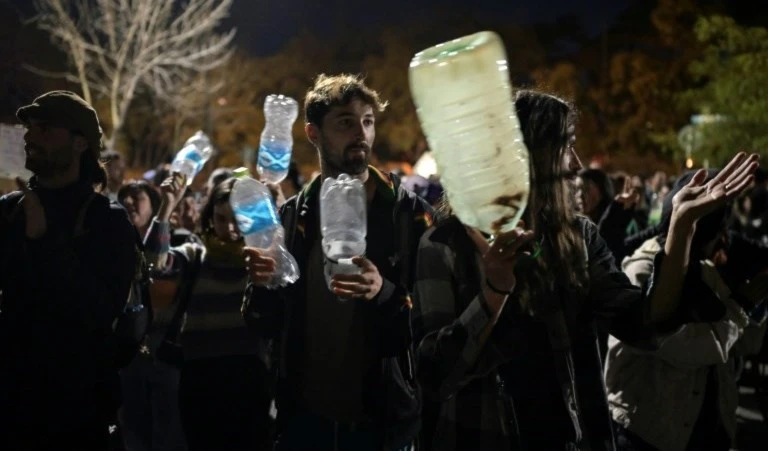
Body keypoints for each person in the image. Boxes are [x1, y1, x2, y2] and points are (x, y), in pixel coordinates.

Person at [412, 89, 760, 451]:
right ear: (525, 156)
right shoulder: (446, 244)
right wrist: (494, 294)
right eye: (565, 145)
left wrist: (681, 227)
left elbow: (643, 326)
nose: (577, 164)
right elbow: (435, 375)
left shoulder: (577, 237)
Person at [242, 73, 433, 451]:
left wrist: (384, 292)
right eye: (346, 122)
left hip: (382, 424)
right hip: (304, 422)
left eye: (368, 121)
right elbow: (263, 323)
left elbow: (434, 328)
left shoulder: (408, 214)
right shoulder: (291, 218)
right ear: (313, 133)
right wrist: (262, 283)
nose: (361, 133)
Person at [0, 91, 138, 450]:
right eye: (29, 128)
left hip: (78, 414)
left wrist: (44, 242)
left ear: (80, 143)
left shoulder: (107, 221)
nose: (30, 137)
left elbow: (98, 310)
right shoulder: (9, 211)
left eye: (44, 129)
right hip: (12, 408)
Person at [606, 171, 768, 451]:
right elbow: (691, 348)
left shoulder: (705, 270)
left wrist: (757, 298)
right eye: (719, 231)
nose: (724, 239)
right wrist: (742, 304)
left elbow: (745, 343)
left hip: (704, 431)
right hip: (651, 435)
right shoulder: (641, 272)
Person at [143, 174, 273, 451]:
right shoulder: (196, 255)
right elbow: (154, 262)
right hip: (201, 378)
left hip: (248, 377)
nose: (230, 228)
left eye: (237, 219)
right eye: (221, 218)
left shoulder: (262, 260)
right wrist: (166, 208)